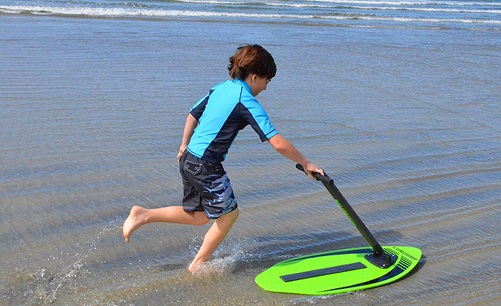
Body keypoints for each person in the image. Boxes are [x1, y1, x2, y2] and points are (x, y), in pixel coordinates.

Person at [122, 44, 324, 273]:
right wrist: (306, 163)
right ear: (255, 76)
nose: (266, 88)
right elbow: (276, 142)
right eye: (267, 81)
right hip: (205, 166)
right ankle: (198, 264)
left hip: (188, 160)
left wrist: (184, 144)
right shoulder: (245, 100)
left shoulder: (220, 88)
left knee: (199, 216)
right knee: (229, 214)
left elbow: (192, 114)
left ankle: (143, 214)